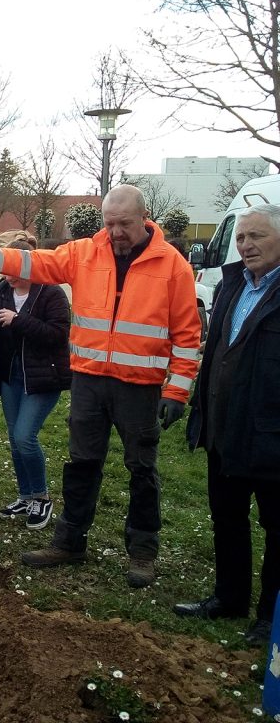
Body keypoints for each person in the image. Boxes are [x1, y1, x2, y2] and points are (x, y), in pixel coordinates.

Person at [0, 184, 201, 587]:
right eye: (109, 223)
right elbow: (32, 263)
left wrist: (177, 391)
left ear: (144, 218)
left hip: (139, 386)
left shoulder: (173, 266)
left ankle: (142, 551)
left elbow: (187, 335)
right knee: (81, 462)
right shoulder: (85, 253)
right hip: (89, 379)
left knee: (141, 469)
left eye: (124, 224)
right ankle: (69, 540)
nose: (116, 231)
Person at [174, 203, 280, 646]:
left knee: (277, 529)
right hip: (224, 428)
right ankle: (229, 597)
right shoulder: (233, 283)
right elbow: (216, 351)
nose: (246, 245)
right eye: (241, 237)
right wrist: (200, 411)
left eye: (257, 236)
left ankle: (269, 618)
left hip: (271, 435)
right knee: (227, 518)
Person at [0, 240, 72, 530]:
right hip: (12, 376)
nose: (8, 273)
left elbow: (58, 334)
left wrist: (19, 320)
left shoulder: (51, 293)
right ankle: (25, 496)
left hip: (43, 377)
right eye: (5, 267)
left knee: (25, 436)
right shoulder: (0, 290)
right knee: (14, 437)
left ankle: (42, 497)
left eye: (14, 267)